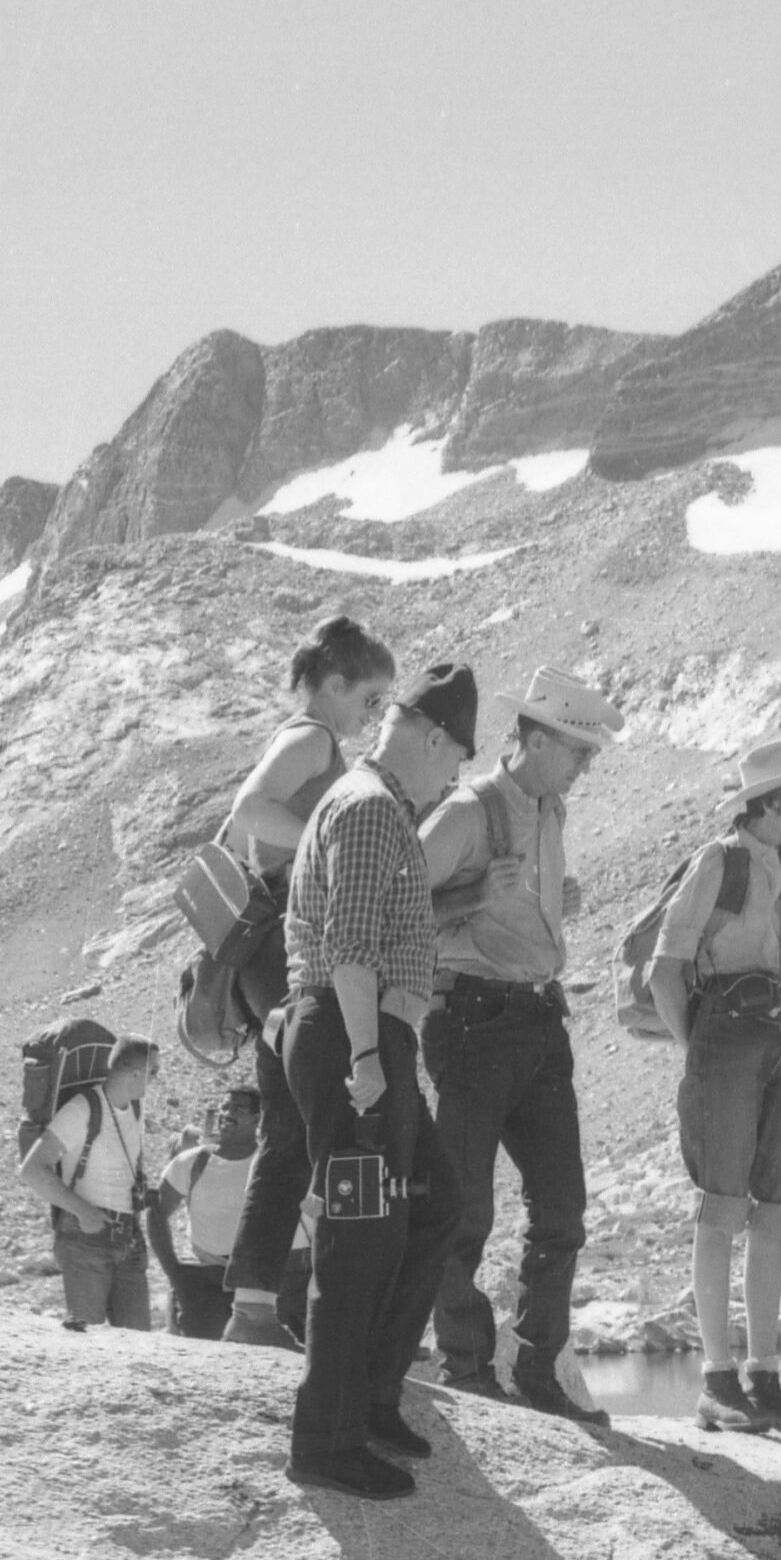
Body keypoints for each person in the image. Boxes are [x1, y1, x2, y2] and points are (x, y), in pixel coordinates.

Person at [277, 662, 478, 1500]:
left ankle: (371, 1399)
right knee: (361, 1238)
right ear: (432, 737)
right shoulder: (366, 811)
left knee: (430, 1208)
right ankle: (325, 1439)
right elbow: (351, 946)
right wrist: (366, 1061)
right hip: (352, 1037)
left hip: (367, 1038)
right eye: (457, 760)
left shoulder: (377, 807)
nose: (455, 780)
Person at [416, 667, 623, 1427]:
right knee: (466, 1208)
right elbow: (395, 902)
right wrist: (474, 898)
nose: (585, 764)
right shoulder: (469, 812)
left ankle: (538, 1371)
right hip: (471, 1020)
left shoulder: (551, 808)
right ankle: (467, 1366)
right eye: (577, 750)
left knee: (562, 1208)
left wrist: (549, 904)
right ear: (535, 740)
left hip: (538, 1021)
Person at [649, 736, 781, 1438]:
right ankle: (716, 1379)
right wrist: (699, 1052)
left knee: (775, 1210)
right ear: (764, 803)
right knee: (721, 1207)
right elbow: (663, 970)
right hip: (728, 1036)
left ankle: (764, 1377)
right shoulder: (719, 861)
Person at [219, 614, 398, 1349]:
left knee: (289, 1135)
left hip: (267, 960)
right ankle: (343, 1314)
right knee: (335, 1118)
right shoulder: (312, 739)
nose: (376, 715)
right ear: (333, 685)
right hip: (287, 958)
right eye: (371, 698)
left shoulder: (309, 737)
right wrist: (334, 834)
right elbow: (247, 815)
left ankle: (253, 1311)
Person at [18, 1036, 160, 1332]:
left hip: (129, 1240)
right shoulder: (82, 1109)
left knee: (138, 1343)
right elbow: (32, 1170)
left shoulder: (133, 1111)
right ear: (135, 1074)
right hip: (86, 1242)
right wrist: (84, 1212)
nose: (155, 1080)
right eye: (154, 1072)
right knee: (87, 1341)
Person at [149, 1084, 284, 1340]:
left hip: (251, 1283)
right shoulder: (192, 1162)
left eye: (238, 1108)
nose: (226, 1113)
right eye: (224, 1106)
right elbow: (156, 1214)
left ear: (258, 1118)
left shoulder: (267, 1164)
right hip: (202, 1279)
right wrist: (174, 1273)